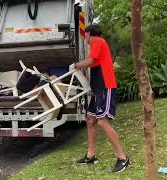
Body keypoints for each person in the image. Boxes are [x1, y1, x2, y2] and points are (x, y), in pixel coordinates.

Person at [69, 24, 130, 172]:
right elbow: (93, 62)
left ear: (89, 33)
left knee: (102, 122)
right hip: (97, 89)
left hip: (105, 87)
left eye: (85, 34)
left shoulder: (98, 41)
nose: (85, 38)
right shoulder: (97, 47)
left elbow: (89, 63)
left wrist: (75, 65)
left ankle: (123, 158)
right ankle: (91, 155)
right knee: (90, 120)